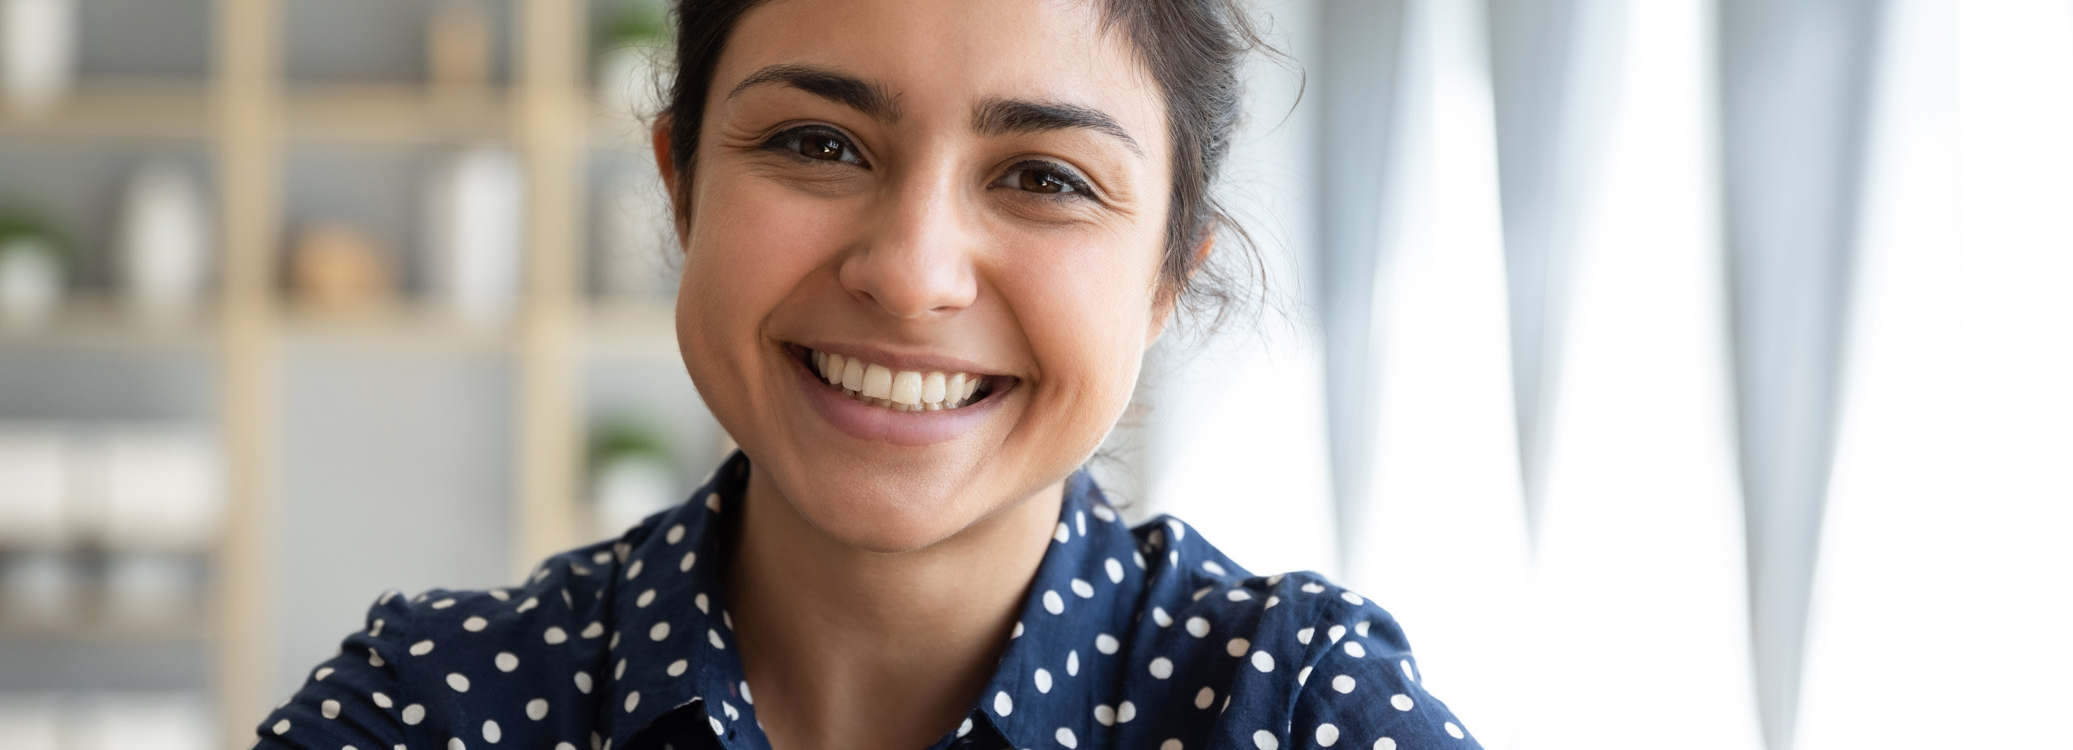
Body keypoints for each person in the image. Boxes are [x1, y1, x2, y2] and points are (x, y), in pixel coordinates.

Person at [254, 0, 1478, 747]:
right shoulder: (433, 714)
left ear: (1166, 275)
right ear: (682, 187)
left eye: (1044, 176)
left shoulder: (1302, 716)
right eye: (817, 144)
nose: (910, 273)